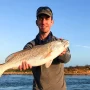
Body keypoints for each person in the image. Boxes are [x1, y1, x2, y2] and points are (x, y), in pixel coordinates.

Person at [19, 6, 71, 90]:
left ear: (52, 22)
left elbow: (67, 58)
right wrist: (23, 66)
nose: (43, 22)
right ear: (37, 22)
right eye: (40, 18)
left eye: (47, 18)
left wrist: (63, 53)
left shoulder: (59, 42)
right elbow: (23, 61)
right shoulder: (30, 45)